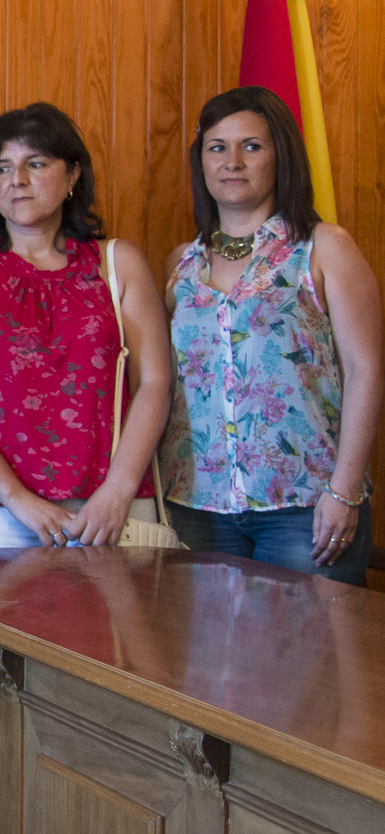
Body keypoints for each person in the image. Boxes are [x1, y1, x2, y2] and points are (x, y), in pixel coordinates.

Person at [0, 102, 171, 548]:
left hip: (110, 511)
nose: (16, 179)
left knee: (116, 622)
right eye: (2, 168)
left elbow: (154, 383)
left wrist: (118, 491)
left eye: (35, 164)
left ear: (73, 175)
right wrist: (16, 498)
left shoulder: (119, 265)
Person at [159, 87, 380, 584]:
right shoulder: (181, 265)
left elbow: (366, 371)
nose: (232, 161)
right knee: (207, 661)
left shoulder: (323, 249)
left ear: (282, 155)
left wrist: (343, 491)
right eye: (217, 147)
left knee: (312, 659)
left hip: (305, 506)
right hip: (196, 504)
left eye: (251, 146)